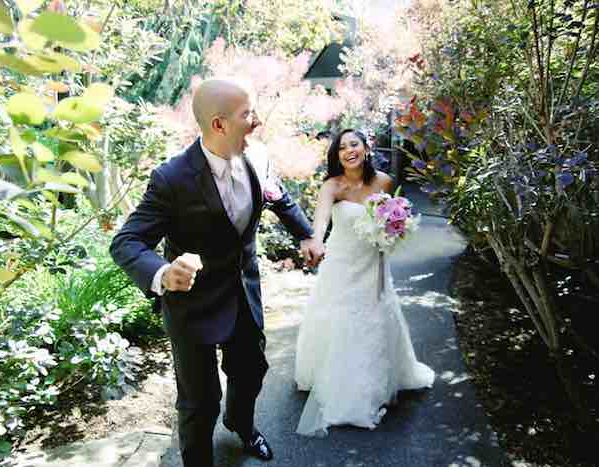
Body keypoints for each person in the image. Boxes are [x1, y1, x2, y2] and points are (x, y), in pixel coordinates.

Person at [110, 78, 323, 467]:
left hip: (243, 294)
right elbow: (126, 242)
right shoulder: (171, 178)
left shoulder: (257, 157)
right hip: (191, 306)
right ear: (219, 125)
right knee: (199, 401)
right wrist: (161, 273)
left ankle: (242, 426)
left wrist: (306, 234)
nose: (257, 122)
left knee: (252, 371)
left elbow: (280, 198)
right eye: (248, 114)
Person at [293, 128, 435, 437]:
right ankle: (339, 383)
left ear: (366, 149)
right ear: (337, 156)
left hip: (373, 264)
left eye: (353, 144)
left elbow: (394, 220)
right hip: (341, 264)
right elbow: (320, 222)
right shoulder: (332, 185)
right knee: (340, 319)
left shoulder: (384, 182)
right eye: (341, 148)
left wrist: (393, 233)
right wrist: (316, 242)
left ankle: (373, 381)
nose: (348, 151)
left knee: (372, 319)